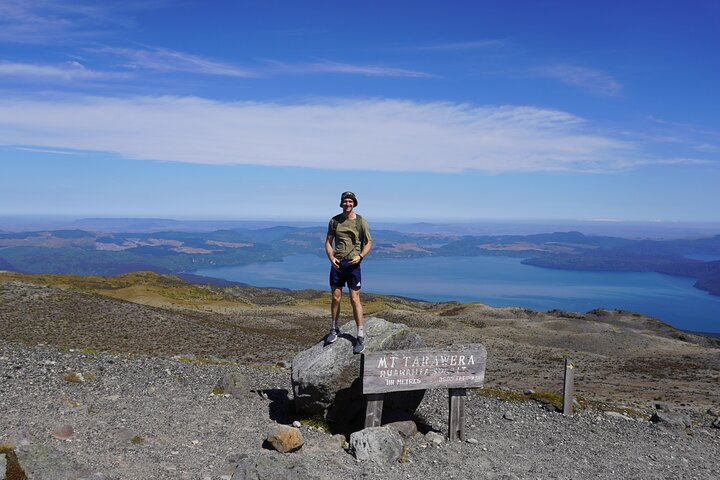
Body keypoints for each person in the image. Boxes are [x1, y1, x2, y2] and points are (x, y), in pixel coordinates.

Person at [325, 191, 372, 354]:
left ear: (354, 203)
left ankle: (360, 336)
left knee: (354, 299)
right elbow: (328, 242)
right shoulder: (334, 221)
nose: (348, 203)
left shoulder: (361, 222)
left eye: (350, 201)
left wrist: (360, 256)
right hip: (337, 263)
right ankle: (334, 328)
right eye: (345, 201)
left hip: (353, 264)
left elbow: (369, 243)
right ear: (341, 203)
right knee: (336, 297)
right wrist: (331, 257)